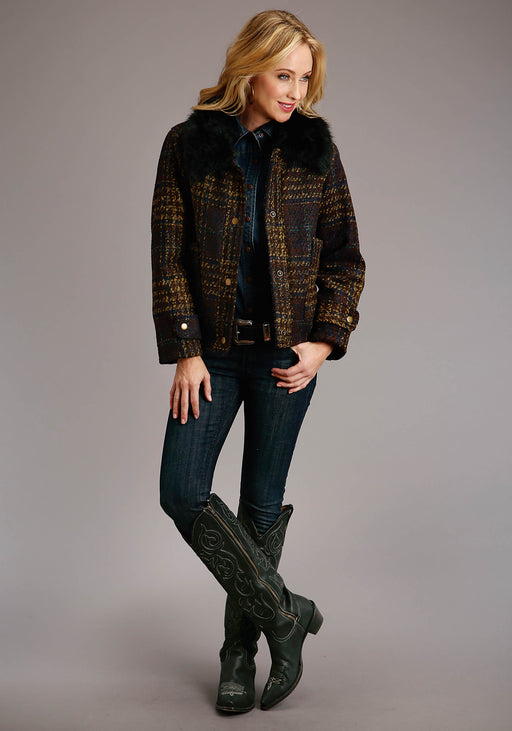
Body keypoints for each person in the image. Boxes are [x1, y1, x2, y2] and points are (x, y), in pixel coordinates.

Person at [151, 9, 365, 714]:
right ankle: (285, 612)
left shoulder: (315, 149)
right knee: (182, 490)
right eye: (284, 74)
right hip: (212, 355)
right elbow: (168, 256)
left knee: (260, 506)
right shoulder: (188, 144)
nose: (295, 91)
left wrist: (323, 343)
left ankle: (238, 654)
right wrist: (185, 350)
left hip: (284, 357)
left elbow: (346, 259)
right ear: (249, 68)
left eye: (305, 78)